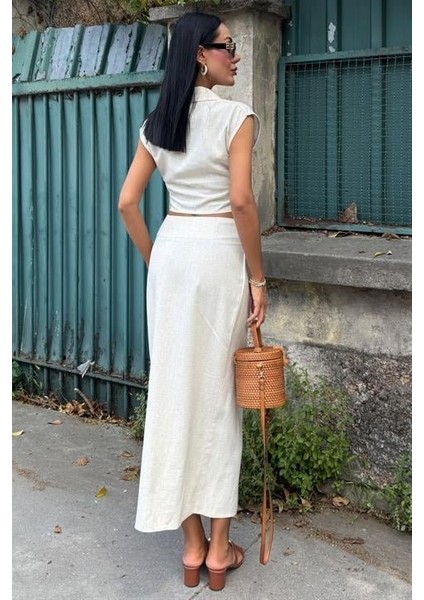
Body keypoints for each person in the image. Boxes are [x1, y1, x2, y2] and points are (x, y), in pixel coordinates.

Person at [118, 11, 268, 592]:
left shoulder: (158, 123)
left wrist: (156, 261)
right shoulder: (236, 117)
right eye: (228, 46)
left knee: (174, 391)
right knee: (220, 397)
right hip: (219, 257)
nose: (236, 55)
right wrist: (259, 279)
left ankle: (191, 545)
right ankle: (220, 550)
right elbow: (242, 202)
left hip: (175, 252)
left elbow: (128, 203)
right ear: (201, 54)